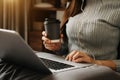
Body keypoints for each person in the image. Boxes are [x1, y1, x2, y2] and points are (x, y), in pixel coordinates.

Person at [42, 0, 120, 72]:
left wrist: (94, 62)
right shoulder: (75, 2)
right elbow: (67, 48)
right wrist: (57, 47)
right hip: (69, 69)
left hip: (101, 73)